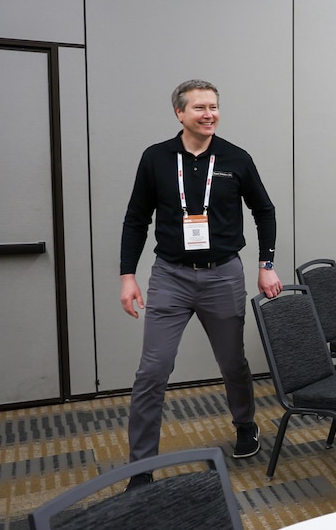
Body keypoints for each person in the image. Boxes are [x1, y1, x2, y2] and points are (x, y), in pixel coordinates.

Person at [119, 79, 283, 488]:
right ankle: (141, 469)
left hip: (222, 274)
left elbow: (264, 211)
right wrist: (127, 276)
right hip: (170, 276)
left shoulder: (235, 158)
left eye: (213, 107)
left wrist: (267, 264)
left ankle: (245, 424)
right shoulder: (156, 158)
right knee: (152, 372)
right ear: (180, 113)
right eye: (199, 108)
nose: (209, 114)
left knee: (232, 364)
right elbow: (136, 219)